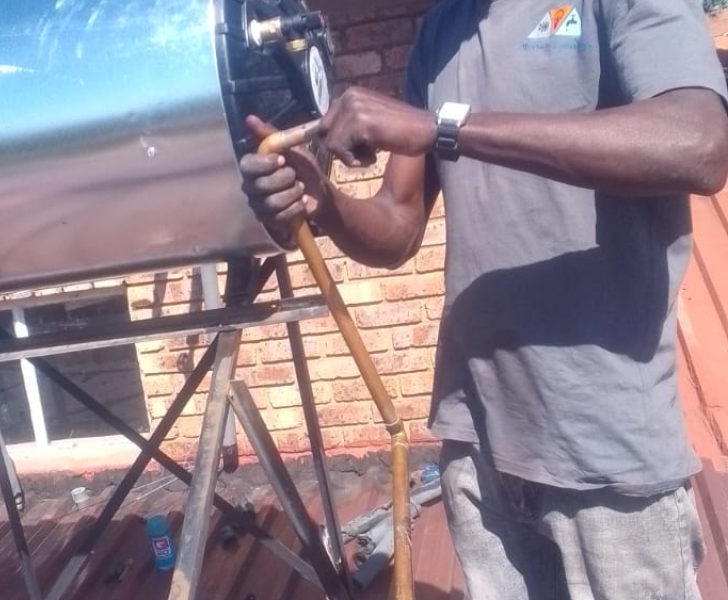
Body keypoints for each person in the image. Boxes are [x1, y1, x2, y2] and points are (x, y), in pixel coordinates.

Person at [240, 1, 728, 599]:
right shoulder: (441, 33)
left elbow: (698, 142)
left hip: (607, 447)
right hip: (479, 444)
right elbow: (398, 224)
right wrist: (327, 207)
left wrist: (447, 126)